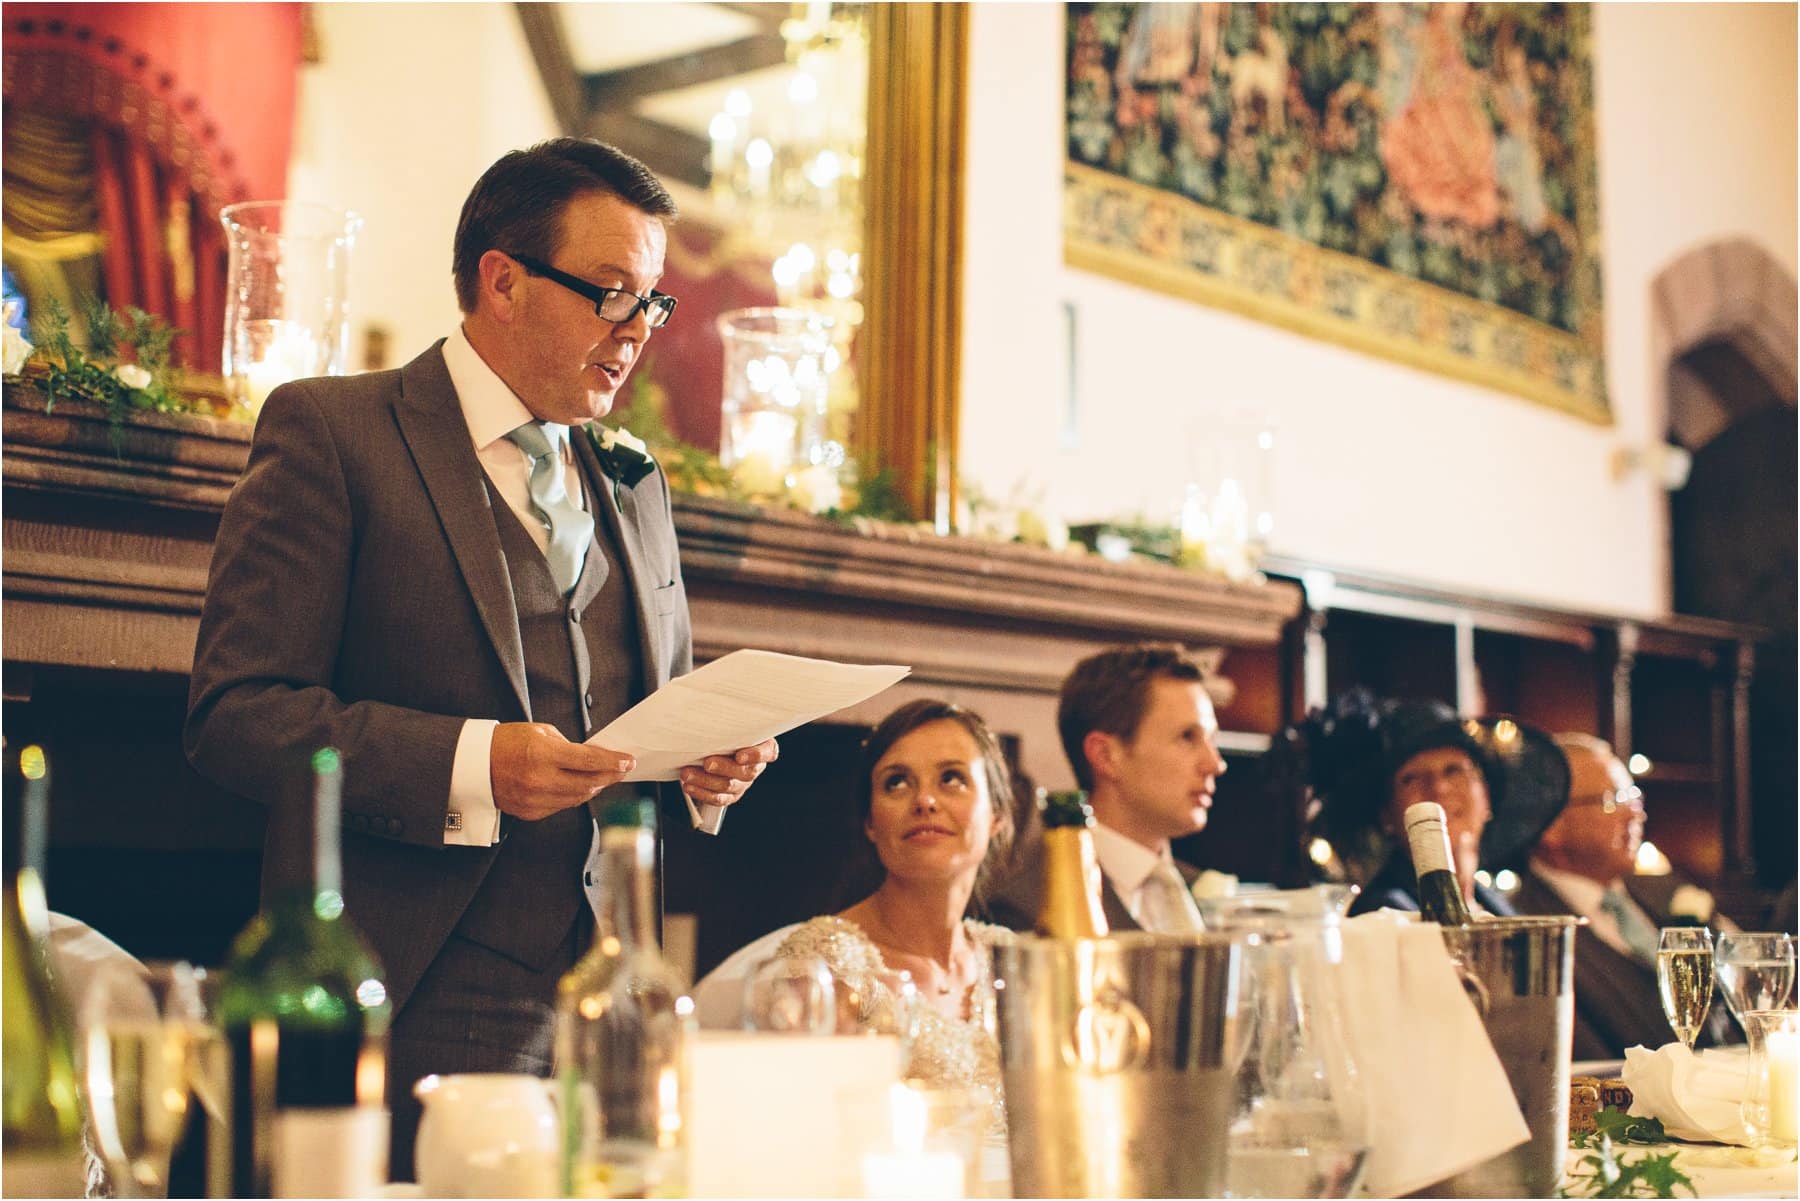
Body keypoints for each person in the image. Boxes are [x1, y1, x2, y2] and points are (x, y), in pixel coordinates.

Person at [184, 138, 778, 1176]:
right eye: (610, 295)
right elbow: (237, 717)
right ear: (502, 279)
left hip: (611, 1011)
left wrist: (708, 757)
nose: (638, 333)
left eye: (653, 305)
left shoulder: (635, 482)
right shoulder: (333, 431)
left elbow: (651, 704)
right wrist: (476, 764)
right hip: (409, 989)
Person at [694, 699, 1015, 1118]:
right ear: (870, 822)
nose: (925, 801)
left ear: (997, 816)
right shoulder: (823, 964)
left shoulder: (1012, 959)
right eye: (897, 783)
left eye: (951, 778)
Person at [1512, 733, 1732, 1057]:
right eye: (1613, 799)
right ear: (1550, 825)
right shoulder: (1526, 929)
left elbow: (1743, 969)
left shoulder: (1663, 890)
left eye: (1634, 797)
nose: (1635, 814)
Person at [983, 643, 1227, 934]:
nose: (1215, 764)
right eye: (1187, 737)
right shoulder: (1028, 907)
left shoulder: (1201, 893)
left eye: (1211, 739)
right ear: (1105, 756)